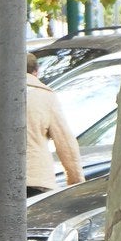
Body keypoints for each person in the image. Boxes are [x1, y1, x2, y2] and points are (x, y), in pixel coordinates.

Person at [27, 51, 84, 195]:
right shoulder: (45, 96)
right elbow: (65, 143)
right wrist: (76, 182)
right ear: (36, 72)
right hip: (36, 180)